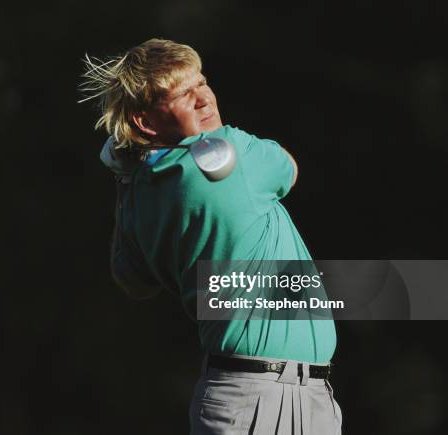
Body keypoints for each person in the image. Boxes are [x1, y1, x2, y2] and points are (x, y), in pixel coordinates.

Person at [80, 38, 341, 434]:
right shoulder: (232, 153)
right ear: (147, 122)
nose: (203, 99)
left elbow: (133, 279)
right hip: (259, 399)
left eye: (201, 83)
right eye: (183, 95)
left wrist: (124, 179)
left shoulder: (139, 193)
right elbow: (289, 168)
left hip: (276, 395)